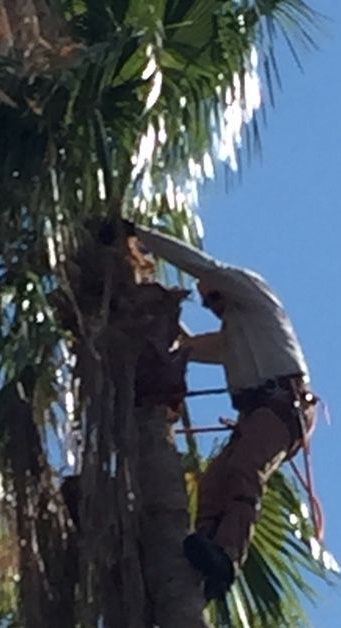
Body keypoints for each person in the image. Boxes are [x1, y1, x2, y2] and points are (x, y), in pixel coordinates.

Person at [121, 222, 318, 601]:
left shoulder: (258, 301)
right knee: (214, 485)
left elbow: (203, 267)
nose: (213, 307)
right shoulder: (233, 335)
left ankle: (228, 555)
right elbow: (187, 345)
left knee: (246, 469)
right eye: (208, 304)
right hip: (258, 413)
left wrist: (141, 236)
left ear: (226, 287)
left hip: (282, 405)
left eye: (214, 297)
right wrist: (151, 301)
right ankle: (206, 557)